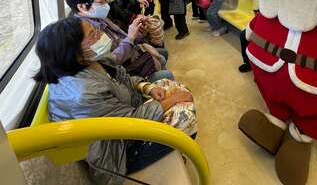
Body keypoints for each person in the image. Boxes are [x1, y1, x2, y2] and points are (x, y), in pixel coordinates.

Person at [34, 17, 197, 185]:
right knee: (186, 112)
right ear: (74, 53)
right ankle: (180, 150)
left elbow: (124, 79)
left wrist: (146, 87)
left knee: (170, 86)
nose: (101, 34)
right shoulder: (83, 94)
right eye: (93, 34)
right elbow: (130, 124)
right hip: (118, 154)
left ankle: (176, 148)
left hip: (127, 115)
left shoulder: (95, 60)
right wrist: (173, 100)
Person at [65, 0, 169, 78]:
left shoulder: (99, 18)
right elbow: (110, 62)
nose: (107, 5)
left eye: (106, 0)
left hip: (131, 56)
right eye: (101, 2)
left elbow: (121, 38)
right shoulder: (85, 33)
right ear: (82, 7)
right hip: (122, 70)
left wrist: (138, 31)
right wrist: (130, 38)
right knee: (165, 68)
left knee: (162, 56)